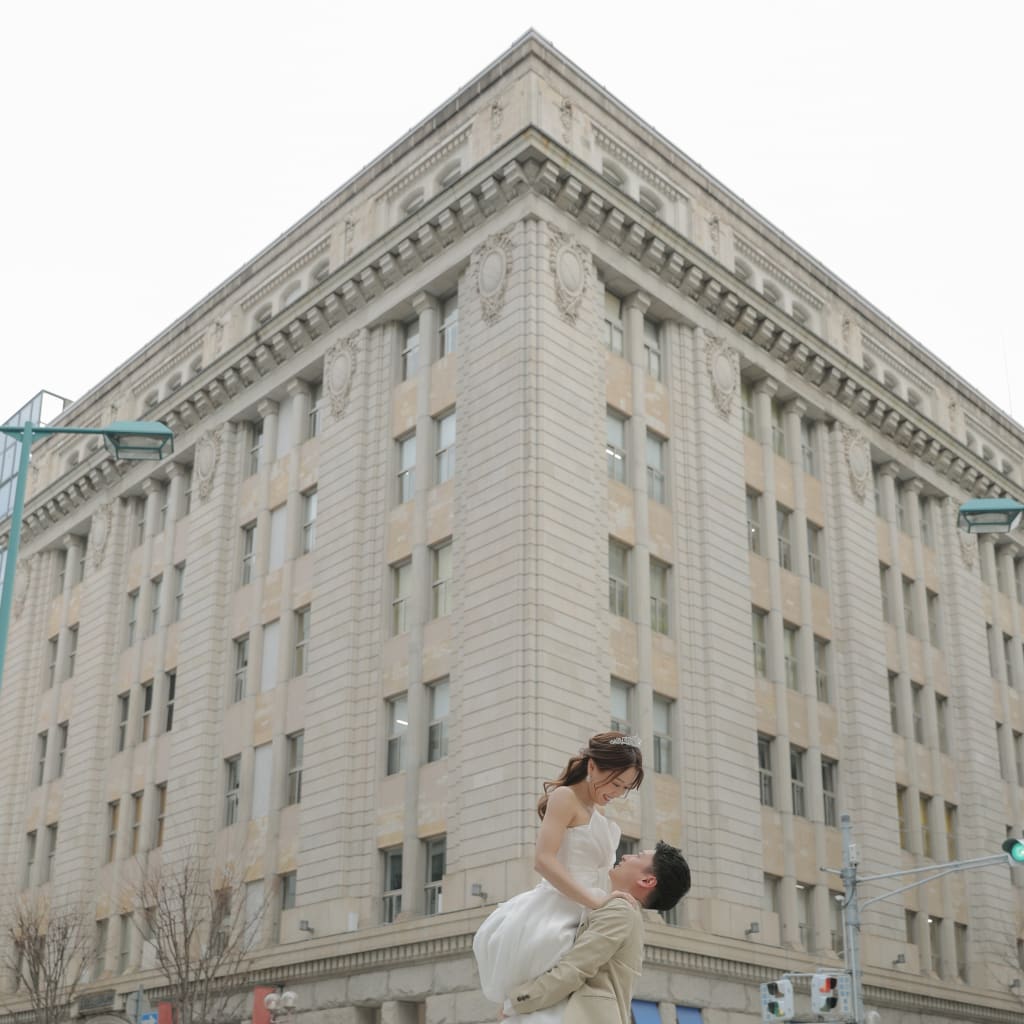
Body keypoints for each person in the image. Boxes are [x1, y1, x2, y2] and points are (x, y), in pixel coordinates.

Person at [473, 732, 644, 1008]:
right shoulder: (565, 797)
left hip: (587, 915)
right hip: (556, 914)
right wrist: (596, 901)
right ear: (592, 767)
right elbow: (543, 859)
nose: (617, 793)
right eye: (615, 782)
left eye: (625, 787)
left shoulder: (596, 812)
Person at [505, 842, 691, 1024]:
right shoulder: (625, 912)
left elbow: (575, 968)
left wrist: (517, 1002)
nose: (625, 856)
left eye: (638, 856)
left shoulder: (621, 911)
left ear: (647, 881)